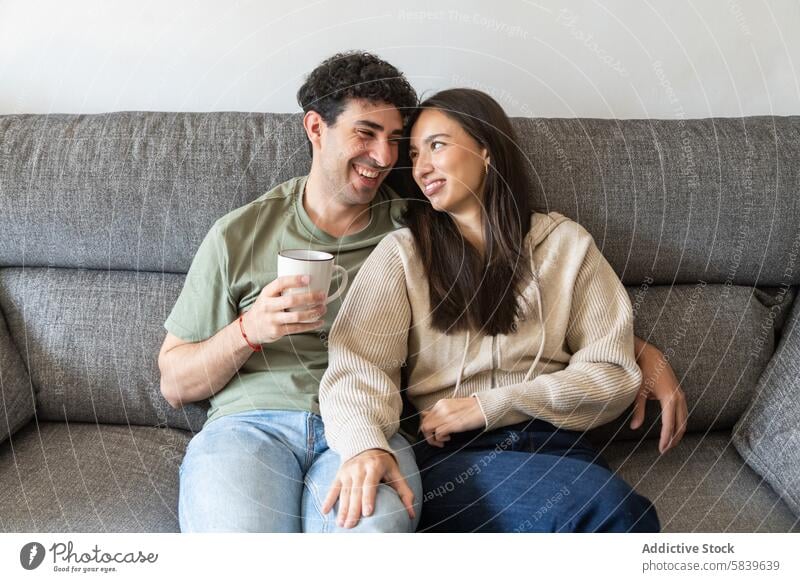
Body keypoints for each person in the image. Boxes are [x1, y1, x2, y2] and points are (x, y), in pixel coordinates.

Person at [319, 88, 684, 532]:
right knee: (613, 512)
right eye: (414, 154)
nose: (421, 167)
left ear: (486, 149)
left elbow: (611, 374)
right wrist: (363, 445)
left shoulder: (565, 245)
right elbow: (357, 365)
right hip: (456, 457)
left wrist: (492, 404)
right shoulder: (403, 254)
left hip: (561, 446)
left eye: (436, 145)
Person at [158, 51, 421, 532]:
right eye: (365, 133)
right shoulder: (239, 234)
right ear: (316, 129)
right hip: (249, 426)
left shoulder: (415, 230)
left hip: (364, 429)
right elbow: (175, 385)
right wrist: (249, 329)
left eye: (395, 140)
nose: (384, 158)